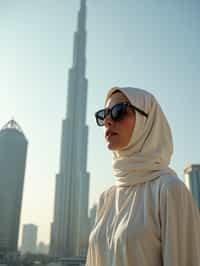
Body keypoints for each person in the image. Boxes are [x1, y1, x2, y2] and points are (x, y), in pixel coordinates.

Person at [86, 86, 200, 266]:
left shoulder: (170, 190)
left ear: (146, 121)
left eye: (118, 111)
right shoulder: (106, 198)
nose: (108, 120)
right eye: (103, 114)